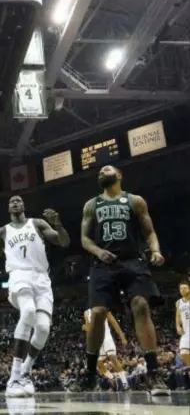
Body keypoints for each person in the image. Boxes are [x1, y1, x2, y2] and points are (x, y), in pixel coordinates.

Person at [73, 165, 169, 395]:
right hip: (103, 264)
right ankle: (89, 375)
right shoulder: (91, 204)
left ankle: (154, 374)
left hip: (132, 261)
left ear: (119, 175)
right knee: (96, 313)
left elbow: (149, 232)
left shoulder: (135, 201)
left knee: (141, 305)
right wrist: (98, 252)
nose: (100, 172)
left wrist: (155, 250)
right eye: (98, 173)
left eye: (105, 169)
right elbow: (85, 238)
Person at [0, 195, 70, 397]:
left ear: (24, 205)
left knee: (42, 328)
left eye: (19, 200)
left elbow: (63, 242)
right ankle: (14, 377)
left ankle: (25, 371)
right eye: (11, 201)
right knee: (28, 310)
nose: (15, 202)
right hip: (18, 275)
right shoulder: (3, 232)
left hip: (41, 279)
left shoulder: (37, 223)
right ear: (8, 208)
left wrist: (59, 225)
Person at [83, 309, 130, 390]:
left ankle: (125, 383)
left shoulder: (104, 309)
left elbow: (114, 323)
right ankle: (112, 377)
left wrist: (122, 337)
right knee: (98, 364)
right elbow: (89, 330)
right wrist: (85, 328)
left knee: (113, 358)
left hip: (106, 337)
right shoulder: (86, 312)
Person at [175, 280, 190, 366]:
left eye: (185, 288)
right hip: (186, 331)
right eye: (181, 288)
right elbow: (178, 316)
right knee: (184, 352)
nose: (183, 290)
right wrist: (178, 326)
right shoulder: (178, 302)